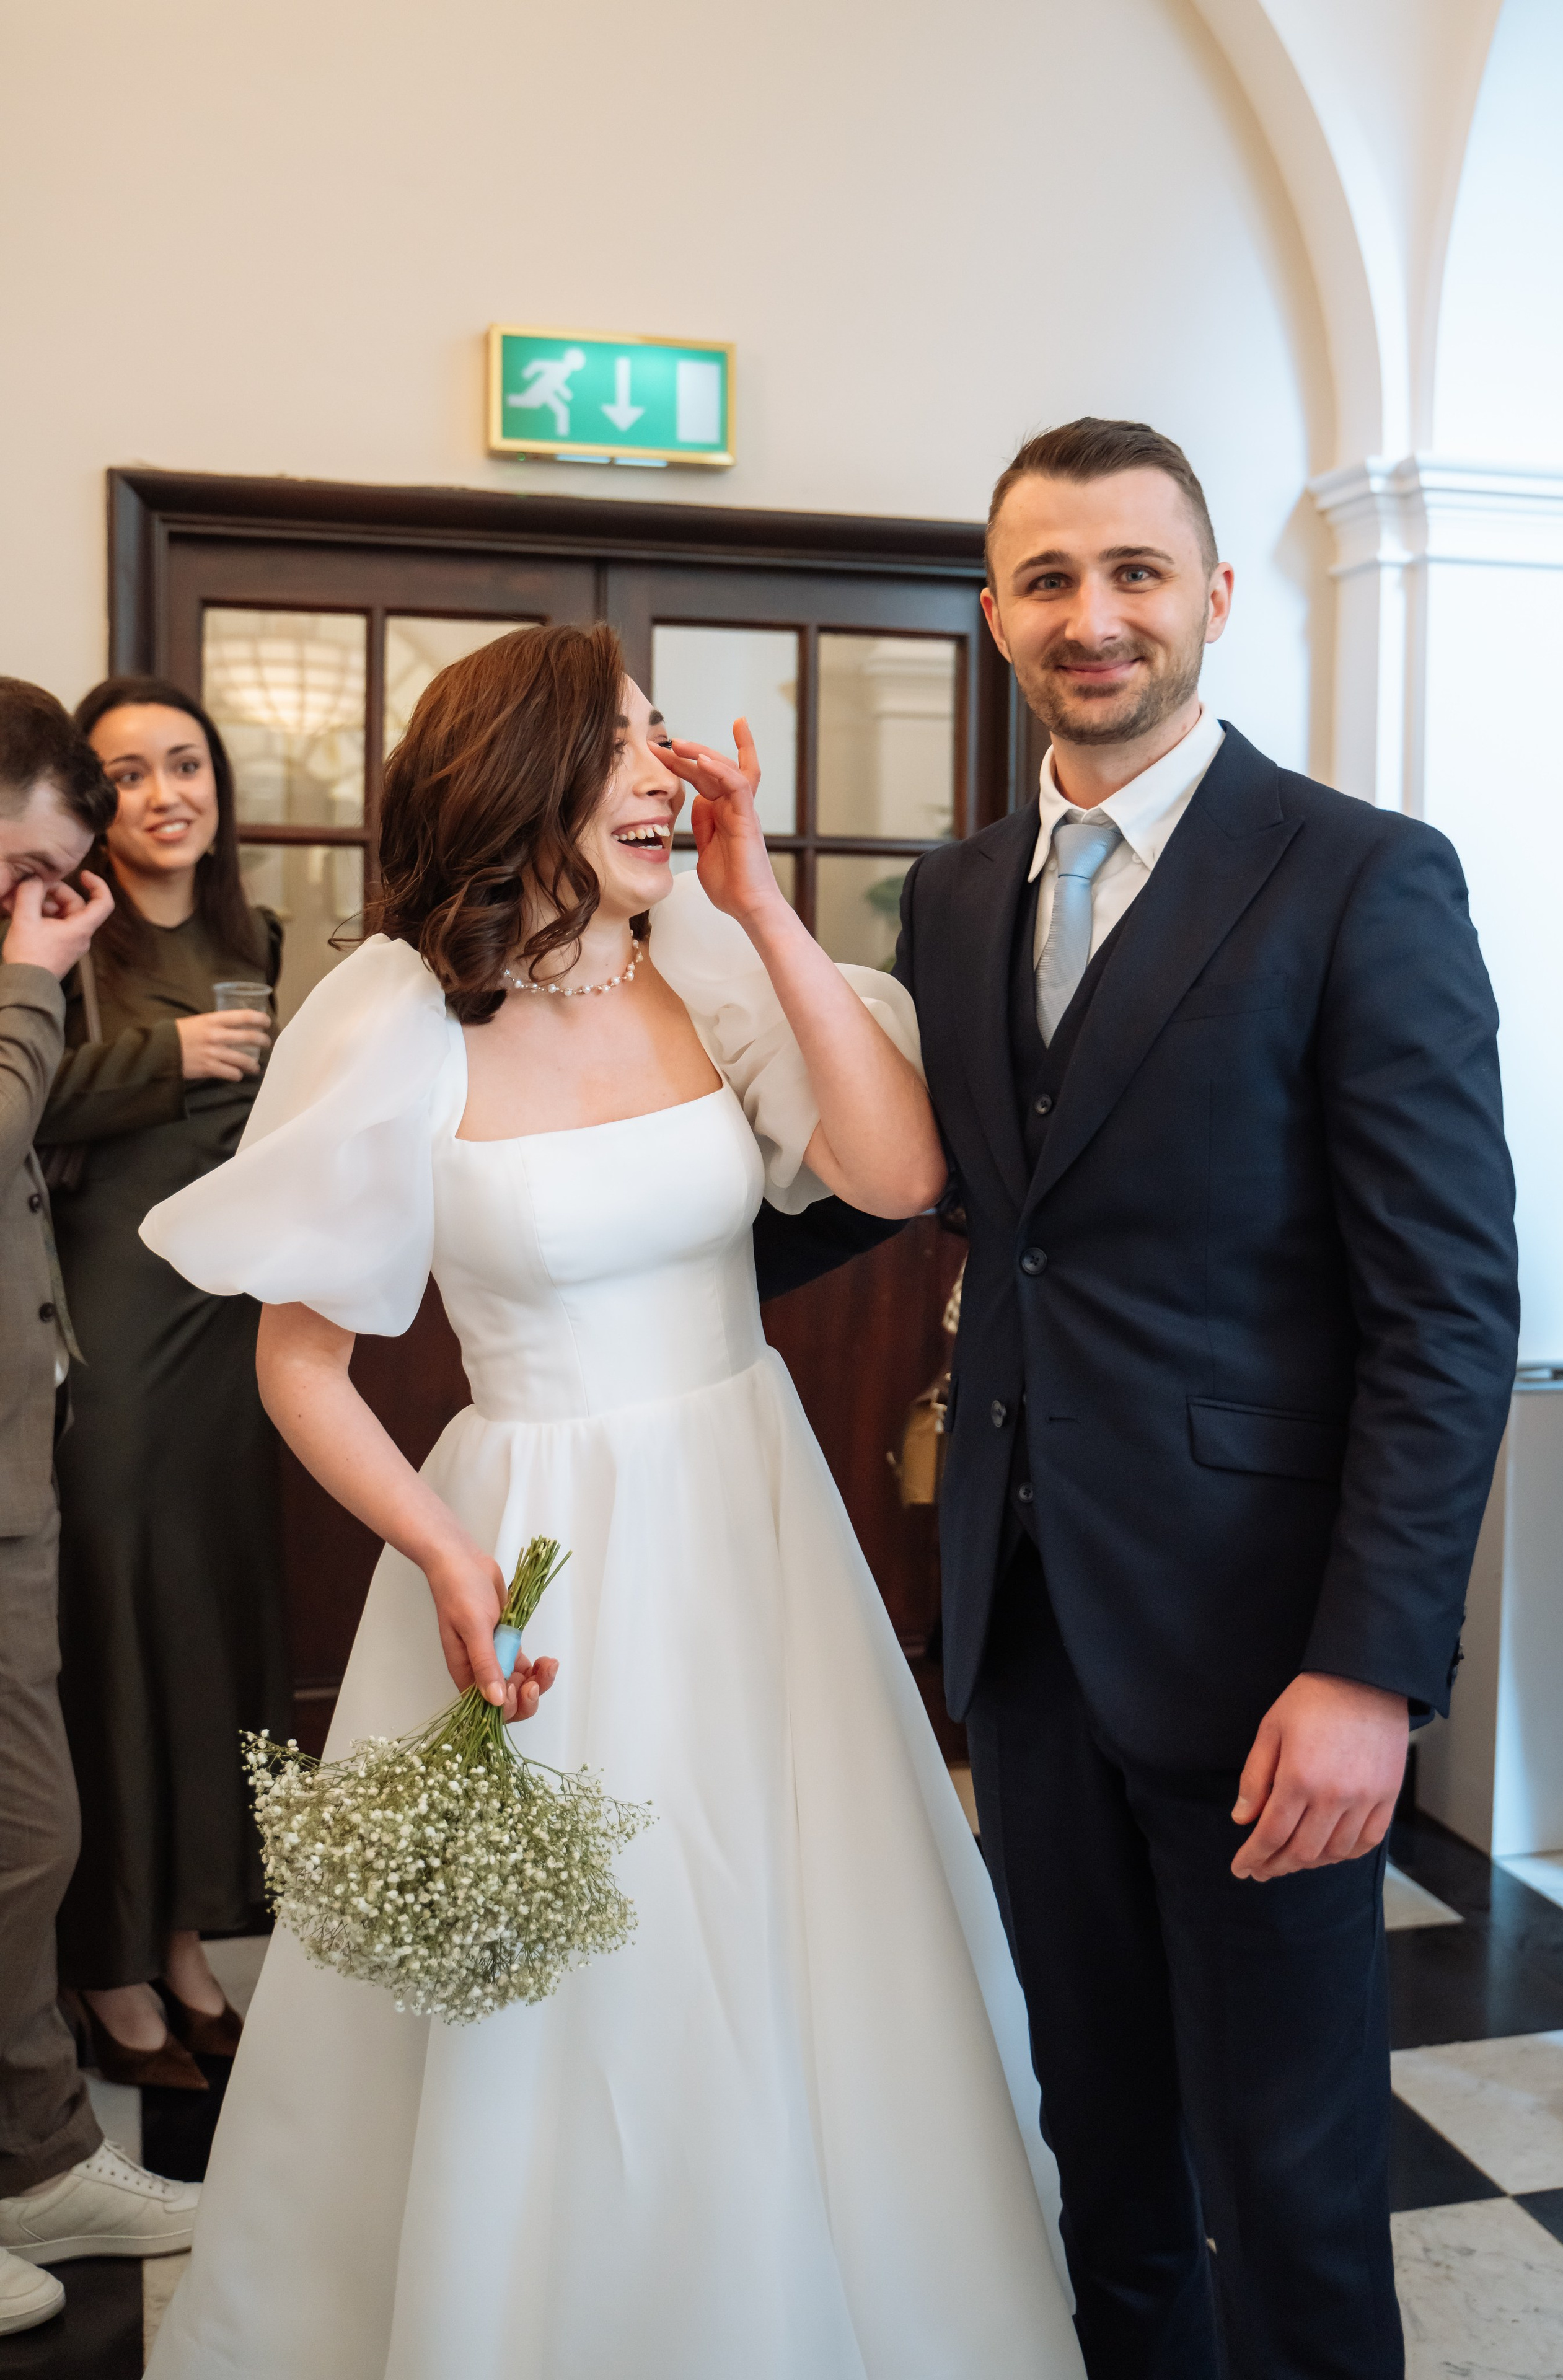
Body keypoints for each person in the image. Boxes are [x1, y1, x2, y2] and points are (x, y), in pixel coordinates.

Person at [138, 624, 1085, 2379]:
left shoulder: (698, 960)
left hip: (749, 1502)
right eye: (630, 749)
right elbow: (299, 1365)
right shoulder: (403, 1017)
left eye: (665, 744)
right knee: (581, 1975)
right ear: (525, 783)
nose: (671, 776)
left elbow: (896, 1171)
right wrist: (439, 1550)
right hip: (536, 1531)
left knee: (793, 1918)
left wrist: (767, 906)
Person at [757, 418, 1519, 2377]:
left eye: (1134, 574)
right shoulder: (952, 891)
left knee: (1290, 2183)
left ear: (1214, 600)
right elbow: (928, 1198)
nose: (1092, 619)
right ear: (995, 610)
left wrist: (1372, 1668)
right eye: (1047, 580)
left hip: (1267, 1648)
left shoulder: (1360, 878)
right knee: (1098, 2155)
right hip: (1022, 1628)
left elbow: (1444, 1312)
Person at [34, 677, 289, 2091]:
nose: (166, 794)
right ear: (92, 804)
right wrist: (164, 1056)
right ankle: (110, 1968)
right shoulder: (69, 937)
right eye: (129, 776)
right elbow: (28, 1094)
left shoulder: (255, 936)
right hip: (117, 1333)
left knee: (211, 1636)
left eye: (185, 765)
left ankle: (193, 1938)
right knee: (120, 1638)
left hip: (235, 1335)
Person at [0, 680, 199, 2337]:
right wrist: (31, 986)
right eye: (12, 873)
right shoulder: (26, 995)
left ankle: (42, 2153)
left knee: (31, 1836)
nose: (36, 909)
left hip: (14, 1457)